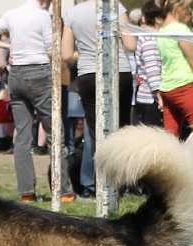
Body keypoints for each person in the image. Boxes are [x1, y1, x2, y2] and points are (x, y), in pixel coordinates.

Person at [0, 0, 75, 203]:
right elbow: (51, 49)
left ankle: (27, 192)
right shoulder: (43, 17)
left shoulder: (13, 14)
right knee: (55, 133)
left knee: (22, 136)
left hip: (17, 75)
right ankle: (64, 190)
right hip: (39, 71)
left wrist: (10, 45)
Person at [61, 0, 136, 197]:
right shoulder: (116, 8)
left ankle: (102, 184)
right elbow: (130, 44)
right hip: (120, 71)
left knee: (96, 132)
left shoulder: (72, 14)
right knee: (121, 129)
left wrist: (87, 52)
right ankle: (121, 184)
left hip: (88, 73)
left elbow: (66, 54)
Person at [158, 0, 193, 138]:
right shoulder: (180, 30)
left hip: (167, 89)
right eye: (186, 9)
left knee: (170, 137)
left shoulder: (161, 32)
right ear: (177, 10)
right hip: (184, 87)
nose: (188, 13)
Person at [134, 0, 164, 127]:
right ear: (157, 19)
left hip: (151, 97)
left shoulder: (151, 37)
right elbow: (153, 70)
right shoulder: (150, 40)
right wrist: (159, 96)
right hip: (151, 99)